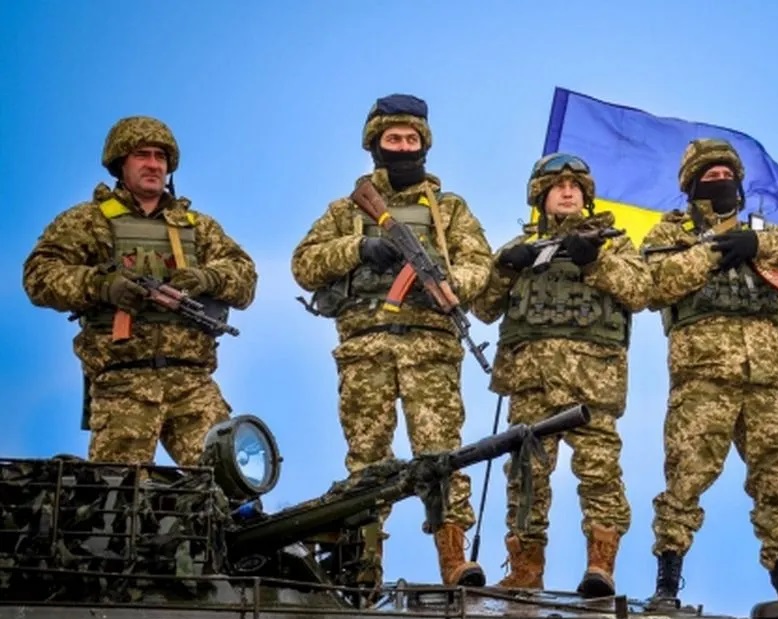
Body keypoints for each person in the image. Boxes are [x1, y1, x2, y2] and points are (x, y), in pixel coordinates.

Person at [290, 94, 493, 589]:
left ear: (425, 144)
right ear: (375, 144)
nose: (403, 147)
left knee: (443, 457)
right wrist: (361, 247)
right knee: (367, 463)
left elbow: (479, 266)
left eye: (411, 139)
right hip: (366, 349)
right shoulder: (346, 210)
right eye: (393, 139)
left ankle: (453, 562)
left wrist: (445, 282)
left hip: (431, 350)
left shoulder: (449, 210)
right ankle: (362, 569)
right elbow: (304, 264)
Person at [641, 138, 778, 613]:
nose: (721, 182)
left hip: (766, 377)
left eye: (727, 175)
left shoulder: (765, 234)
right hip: (703, 376)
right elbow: (654, 285)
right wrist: (711, 252)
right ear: (692, 186)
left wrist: (760, 243)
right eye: (710, 177)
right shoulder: (669, 233)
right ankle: (667, 586)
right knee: (686, 478)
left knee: (776, 480)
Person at [23, 115, 257, 467]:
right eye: (142, 155)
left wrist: (208, 278)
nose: (153, 164)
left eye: (160, 157)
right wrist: (101, 286)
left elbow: (245, 276)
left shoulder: (196, 226)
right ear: (121, 163)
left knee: (228, 480)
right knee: (119, 491)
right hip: (123, 382)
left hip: (191, 380)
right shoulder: (89, 221)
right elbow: (39, 275)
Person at [473, 153, 650, 598]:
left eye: (575, 187)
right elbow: (484, 308)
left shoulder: (613, 245)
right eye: (558, 186)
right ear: (541, 196)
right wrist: (505, 268)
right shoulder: (520, 247)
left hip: (593, 382)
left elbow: (640, 291)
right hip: (530, 381)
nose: (568, 192)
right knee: (525, 478)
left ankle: (600, 567)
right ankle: (525, 570)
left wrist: (595, 262)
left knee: (600, 474)